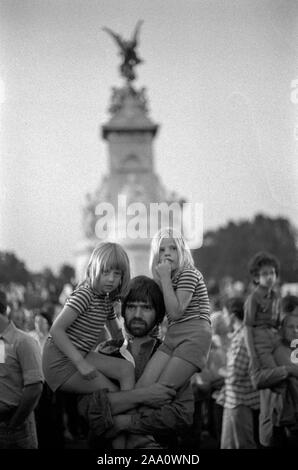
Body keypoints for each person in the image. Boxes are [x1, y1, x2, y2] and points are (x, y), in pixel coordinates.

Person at [79, 276, 193, 449]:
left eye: (146, 307)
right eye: (131, 306)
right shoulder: (105, 351)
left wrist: (123, 422)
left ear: (158, 313)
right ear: (123, 311)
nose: (138, 315)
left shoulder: (173, 356)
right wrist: (146, 396)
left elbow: (181, 415)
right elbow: (88, 408)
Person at [136, 228, 212, 391]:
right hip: (172, 335)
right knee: (143, 385)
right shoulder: (169, 279)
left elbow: (176, 312)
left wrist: (164, 278)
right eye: (162, 250)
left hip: (193, 335)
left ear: (182, 250)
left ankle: (134, 417)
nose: (167, 253)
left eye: (173, 248)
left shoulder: (188, 273)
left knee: (161, 389)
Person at [0, 290, 44, 449]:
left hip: (15, 427)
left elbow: (35, 388)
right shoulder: (3, 342)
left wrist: (14, 423)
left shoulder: (24, 342)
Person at [243, 252, 291, 389]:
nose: (270, 277)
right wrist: (252, 355)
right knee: (278, 379)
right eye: (264, 274)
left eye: (272, 273)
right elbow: (247, 328)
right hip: (260, 340)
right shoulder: (253, 298)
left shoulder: (275, 296)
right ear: (256, 278)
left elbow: (277, 322)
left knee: (291, 374)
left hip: (274, 338)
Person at [218, 298, 260, 449]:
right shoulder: (242, 335)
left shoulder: (241, 338)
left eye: (224, 314)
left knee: (242, 444)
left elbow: (235, 374)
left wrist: (220, 371)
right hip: (236, 401)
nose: (223, 318)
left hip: (239, 402)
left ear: (232, 315)